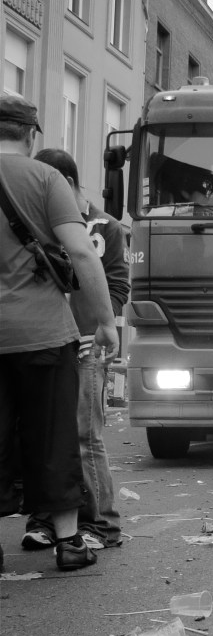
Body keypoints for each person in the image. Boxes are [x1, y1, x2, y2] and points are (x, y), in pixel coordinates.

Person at [0, 94, 118, 571]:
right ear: (31, 135)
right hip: (45, 333)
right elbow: (84, 255)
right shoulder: (46, 178)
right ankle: (69, 544)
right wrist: (106, 321)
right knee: (55, 436)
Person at [20, 149, 130, 551]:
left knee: (84, 437)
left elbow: (117, 287)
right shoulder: (36, 220)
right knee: (44, 435)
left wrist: (98, 326)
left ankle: (101, 524)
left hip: (85, 347)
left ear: (64, 183)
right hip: (46, 341)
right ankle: (48, 520)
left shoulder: (108, 228)